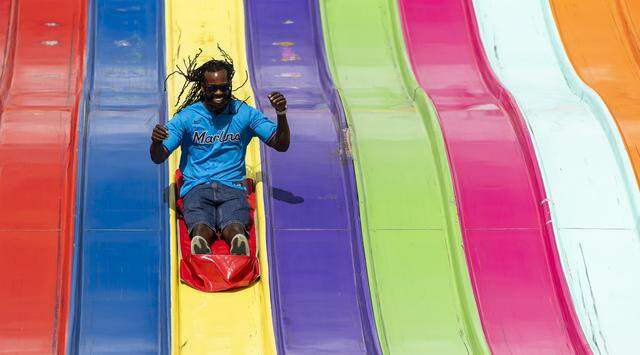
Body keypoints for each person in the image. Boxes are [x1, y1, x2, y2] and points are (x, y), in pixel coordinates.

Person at [150, 49, 289, 255]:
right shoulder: (187, 117)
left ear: (229, 85)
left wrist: (281, 114)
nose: (218, 93)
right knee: (199, 219)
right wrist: (156, 142)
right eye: (212, 88)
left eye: (223, 88)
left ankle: (236, 239)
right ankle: (200, 240)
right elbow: (158, 156)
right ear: (203, 87)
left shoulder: (244, 113)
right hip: (197, 186)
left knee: (235, 219)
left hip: (232, 186)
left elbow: (280, 144)